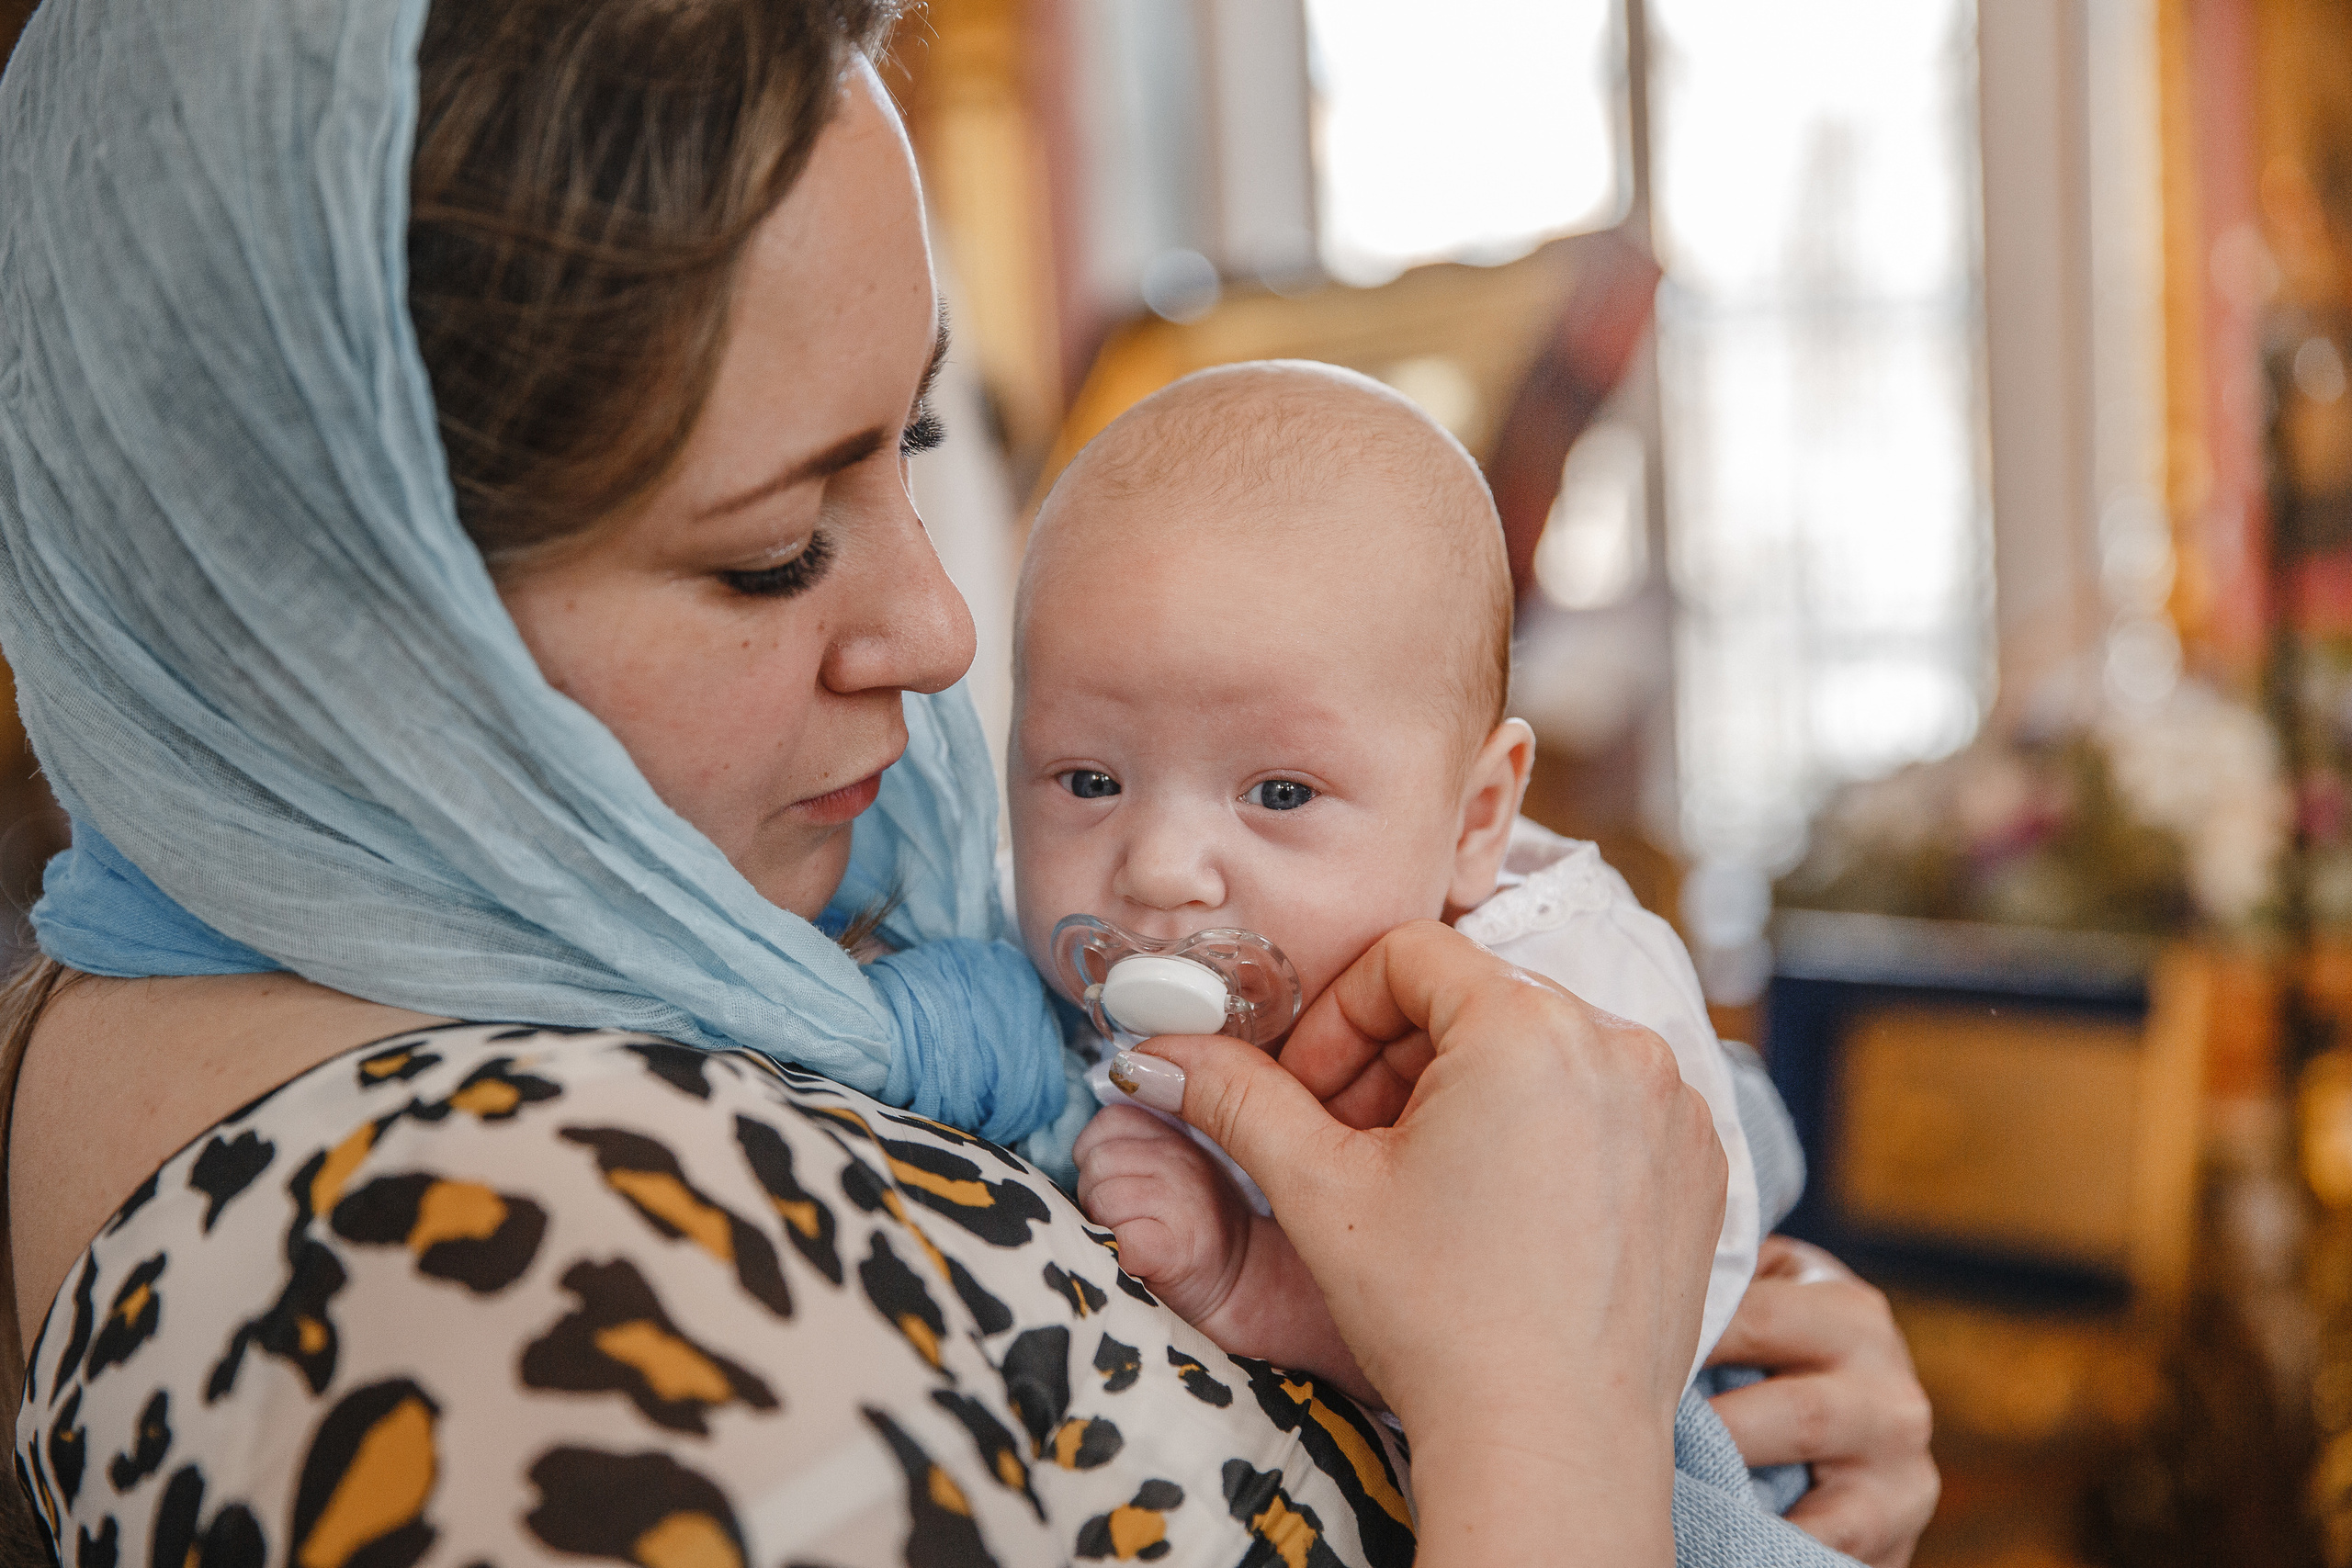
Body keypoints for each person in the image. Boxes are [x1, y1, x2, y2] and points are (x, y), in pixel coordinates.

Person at [0, 0, 1938, 1564]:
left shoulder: (727, 935)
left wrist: (1680, 1343)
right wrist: (1553, 1430)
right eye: (772, 548)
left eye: (909, 437)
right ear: (326, 608)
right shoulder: (474, 1298)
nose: (939, 632)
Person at [1011, 360, 1761, 1404]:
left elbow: (1640, 1306)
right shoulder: (1017, 939)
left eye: (1277, 793)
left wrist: (1268, 1290)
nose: (1160, 869)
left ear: (1476, 819)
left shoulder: (1562, 992)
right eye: (1089, 779)